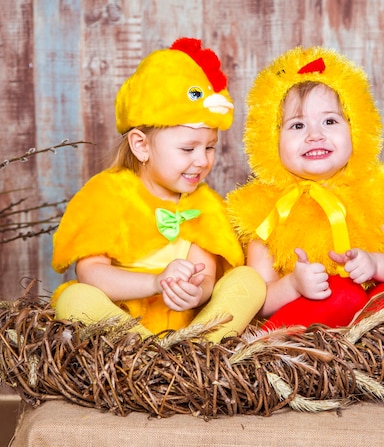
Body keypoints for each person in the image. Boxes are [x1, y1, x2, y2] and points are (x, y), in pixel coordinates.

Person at [51, 38, 266, 342]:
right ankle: (150, 356)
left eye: (210, 147)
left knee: (250, 280)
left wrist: (195, 292)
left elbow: (205, 277)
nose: (202, 160)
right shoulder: (107, 194)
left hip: (187, 331)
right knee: (75, 299)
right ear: (141, 145)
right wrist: (156, 282)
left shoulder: (204, 205)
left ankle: (196, 350)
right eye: (188, 148)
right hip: (123, 331)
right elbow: (90, 273)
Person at [226, 46, 384, 330]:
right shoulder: (265, 211)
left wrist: (374, 264)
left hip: (369, 334)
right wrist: (294, 285)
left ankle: (365, 352)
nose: (315, 135)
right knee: (342, 294)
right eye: (297, 126)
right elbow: (257, 301)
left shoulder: (373, 193)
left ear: (356, 128)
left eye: (330, 121)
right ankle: (266, 346)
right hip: (302, 334)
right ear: (270, 140)